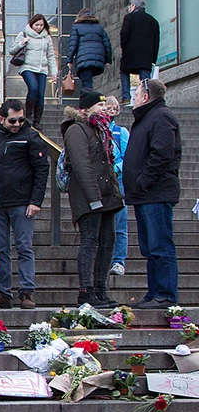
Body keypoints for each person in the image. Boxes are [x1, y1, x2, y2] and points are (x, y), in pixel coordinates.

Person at [0, 99, 49, 310]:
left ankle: (26, 291)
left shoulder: (30, 137)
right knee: (1, 249)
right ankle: (3, 291)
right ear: (1, 119)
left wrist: (35, 201)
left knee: (24, 247)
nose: (17, 124)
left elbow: (42, 170)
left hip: (21, 202)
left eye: (21, 120)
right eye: (13, 120)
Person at [61, 90, 124, 307]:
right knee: (89, 242)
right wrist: (94, 197)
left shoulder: (101, 129)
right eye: (100, 106)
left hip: (106, 196)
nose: (104, 109)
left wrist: (114, 194)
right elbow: (81, 165)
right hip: (89, 197)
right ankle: (86, 291)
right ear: (86, 109)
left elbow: (107, 164)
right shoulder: (77, 129)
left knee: (108, 242)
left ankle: (100, 289)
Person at [123, 79, 181, 309]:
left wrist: (142, 181)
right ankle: (155, 291)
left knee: (160, 245)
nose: (134, 98)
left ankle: (165, 293)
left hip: (155, 193)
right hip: (144, 194)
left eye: (136, 94)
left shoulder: (161, 117)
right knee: (149, 247)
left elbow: (162, 154)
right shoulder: (147, 118)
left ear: (146, 96)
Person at [7, 14, 58, 129]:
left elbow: (50, 56)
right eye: (37, 25)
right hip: (27, 67)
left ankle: (37, 120)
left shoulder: (47, 38)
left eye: (41, 25)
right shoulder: (24, 34)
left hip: (42, 69)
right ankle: (28, 116)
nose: (39, 27)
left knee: (40, 94)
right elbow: (12, 50)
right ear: (32, 24)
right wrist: (22, 43)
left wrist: (54, 72)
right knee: (33, 88)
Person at [105, 96, 130, 276]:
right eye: (108, 107)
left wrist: (116, 169)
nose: (112, 111)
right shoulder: (97, 130)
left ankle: (119, 260)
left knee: (120, 222)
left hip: (118, 179)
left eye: (115, 108)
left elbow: (128, 156)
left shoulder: (121, 132)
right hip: (101, 179)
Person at [119, 0, 160, 104]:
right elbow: (156, 41)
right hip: (146, 55)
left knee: (124, 72)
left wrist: (124, 48)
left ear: (134, 6)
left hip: (130, 53)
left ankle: (126, 96)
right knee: (145, 78)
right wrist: (153, 58)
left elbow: (124, 34)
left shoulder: (129, 18)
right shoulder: (153, 21)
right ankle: (145, 98)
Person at [66, 8, 113, 91]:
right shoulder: (99, 28)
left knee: (87, 84)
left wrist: (69, 60)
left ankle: (89, 102)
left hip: (84, 59)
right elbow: (107, 44)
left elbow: (73, 44)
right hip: (98, 60)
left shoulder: (77, 27)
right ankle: (91, 99)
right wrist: (107, 60)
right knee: (89, 81)